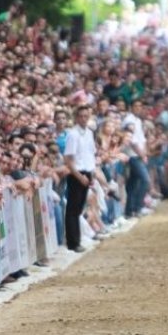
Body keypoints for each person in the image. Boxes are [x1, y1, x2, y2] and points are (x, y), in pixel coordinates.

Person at [63, 105, 96, 252]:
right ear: (76, 117)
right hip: (77, 173)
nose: (83, 119)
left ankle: (77, 239)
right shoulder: (73, 134)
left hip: (87, 171)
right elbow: (68, 159)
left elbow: (91, 154)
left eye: (86, 116)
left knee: (79, 208)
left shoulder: (89, 133)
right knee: (72, 209)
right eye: (81, 116)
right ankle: (73, 242)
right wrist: (79, 176)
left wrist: (92, 174)